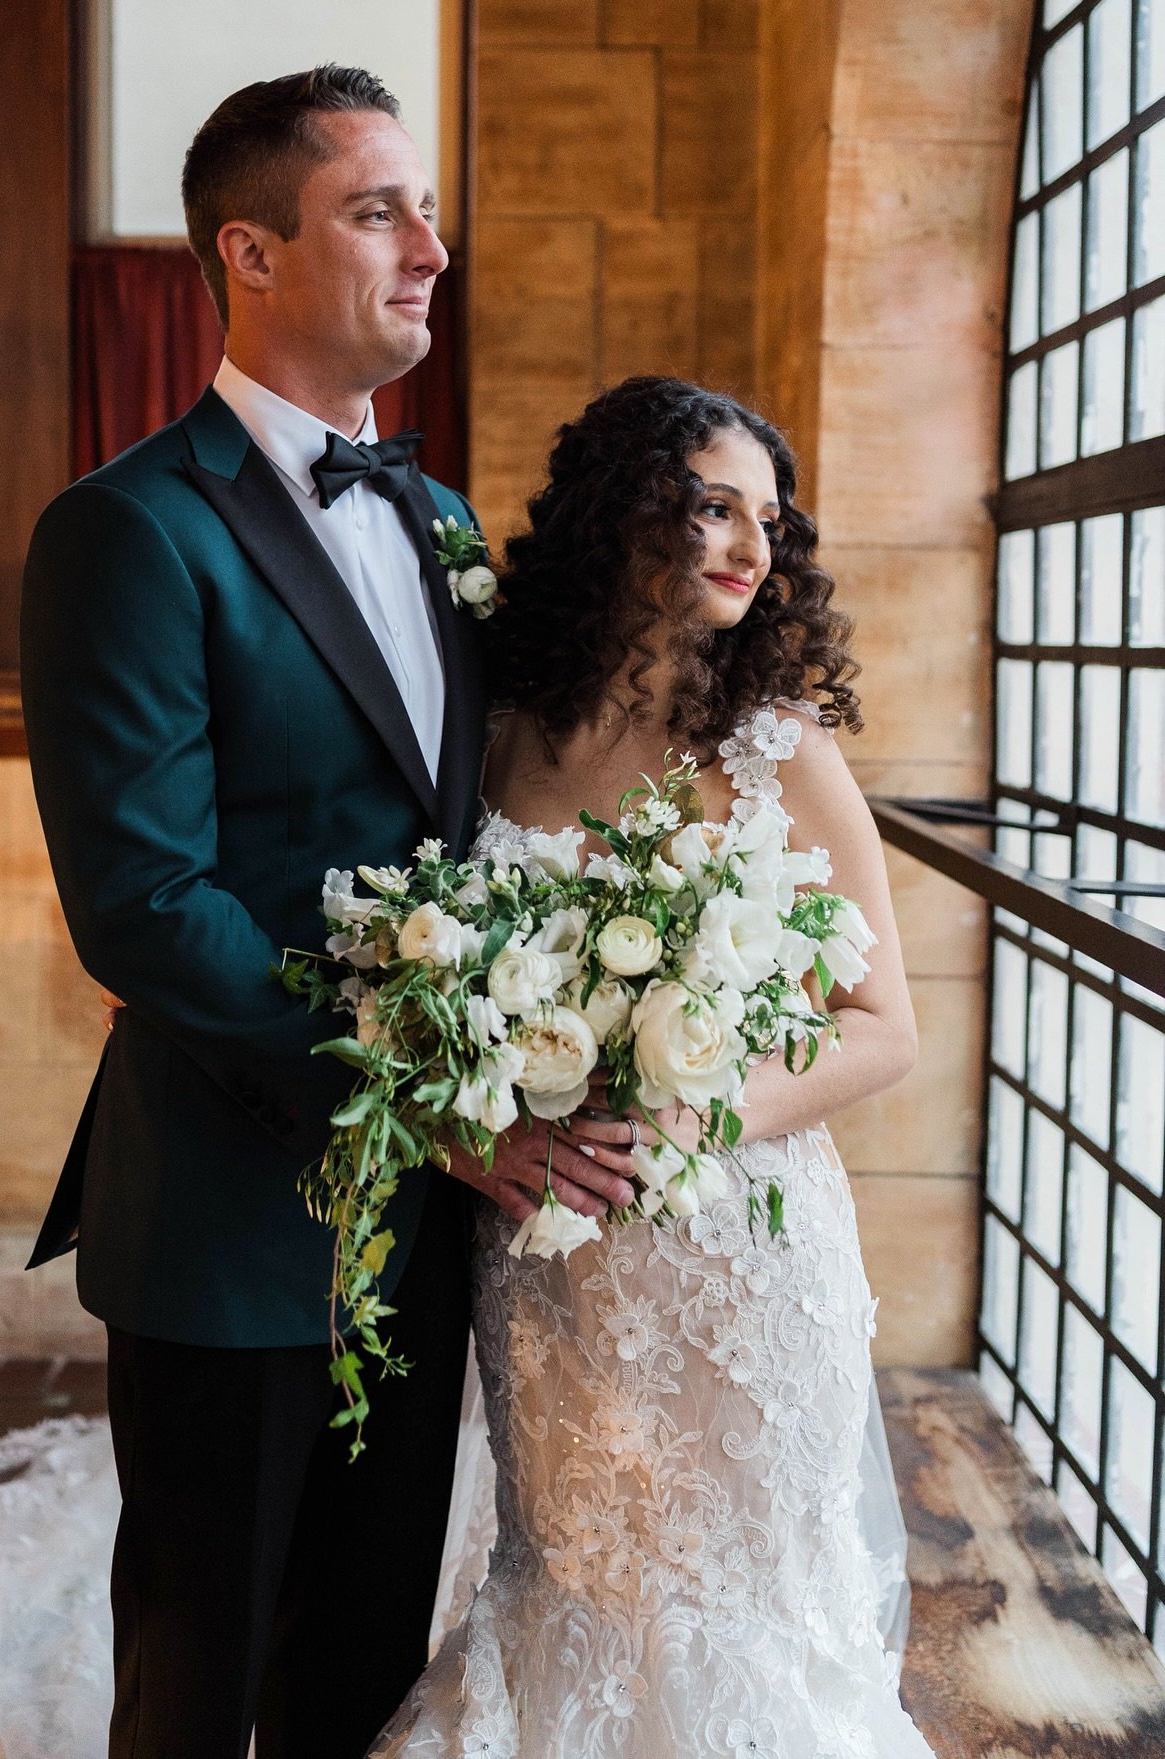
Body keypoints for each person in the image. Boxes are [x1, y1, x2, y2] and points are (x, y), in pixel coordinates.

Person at [16, 66, 632, 1759]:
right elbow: (145, 903)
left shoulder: (434, 518)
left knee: (363, 1667)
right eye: (380, 210)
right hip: (232, 1211)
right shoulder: (128, 531)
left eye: (428, 209)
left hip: (435, 1238)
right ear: (253, 252)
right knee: (200, 1686)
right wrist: (434, 1104)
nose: (434, 245)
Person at [369, 377, 936, 1755]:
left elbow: (884, 1022)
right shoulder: (499, 737)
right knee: (574, 1582)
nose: (751, 544)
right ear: (626, 515)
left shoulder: (776, 750)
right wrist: (468, 1108)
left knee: (737, 1615)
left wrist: (697, 1110)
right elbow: (416, 984)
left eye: (770, 520)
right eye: (713, 508)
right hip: (550, 1259)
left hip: (734, 1257)